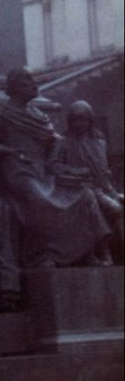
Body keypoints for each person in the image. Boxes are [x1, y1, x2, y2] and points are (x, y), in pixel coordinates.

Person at [0, 69, 111, 306]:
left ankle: (79, 253)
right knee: (40, 198)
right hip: (17, 170)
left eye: (33, 80)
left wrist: (79, 142)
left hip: (43, 170)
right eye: (27, 81)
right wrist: (11, 152)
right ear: (14, 87)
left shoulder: (39, 114)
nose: (34, 84)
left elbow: (55, 142)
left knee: (80, 195)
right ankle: (44, 254)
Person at [57, 100, 123, 264]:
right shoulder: (63, 142)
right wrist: (74, 172)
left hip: (102, 188)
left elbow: (104, 171)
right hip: (76, 188)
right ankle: (104, 251)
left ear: (90, 120)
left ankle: (118, 252)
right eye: (75, 119)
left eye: (84, 119)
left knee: (117, 204)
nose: (80, 123)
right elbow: (54, 166)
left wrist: (113, 191)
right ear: (70, 121)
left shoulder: (100, 142)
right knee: (108, 208)